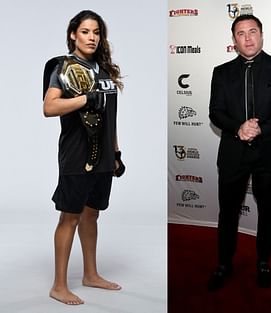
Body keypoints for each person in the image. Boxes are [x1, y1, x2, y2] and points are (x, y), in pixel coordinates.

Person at [207, 14, 271, 291]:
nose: (247, 38)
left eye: (252, 31)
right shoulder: (221, 72)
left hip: (269, 153)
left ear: (261, 34)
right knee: (228, 212)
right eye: (241, 33)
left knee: (268, 211)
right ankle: (224, 263)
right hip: (234, 153)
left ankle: (263, 262)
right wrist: (238, 128)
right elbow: (216, 112)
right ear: (234, 40)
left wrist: (260, 128)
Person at [43, 10, 125, 305]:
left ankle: (90, 274)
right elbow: (49, 107)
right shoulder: (61, 67)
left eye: (97, 32)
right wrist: (83, 99)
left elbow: (109, 118)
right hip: (76, 156)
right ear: (72, 35)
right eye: (86, 31)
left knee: (92, 214)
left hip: (104, 158)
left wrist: (116, 153)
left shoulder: (103, 72)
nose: (92, 37)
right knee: (70, 217)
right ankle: (59, 286)